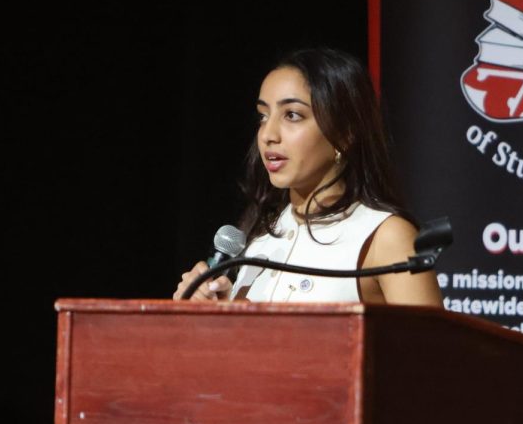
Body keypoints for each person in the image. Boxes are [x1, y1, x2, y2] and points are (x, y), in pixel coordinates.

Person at [173, 48, 442, 306]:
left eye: (292, 115)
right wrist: (212, 312)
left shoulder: (386, 235)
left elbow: (433, 351)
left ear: (345, 134)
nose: (268, 135)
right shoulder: (260, 238)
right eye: (263, 116)